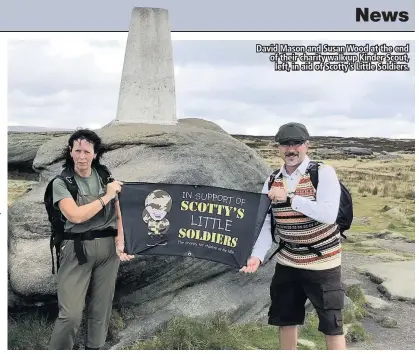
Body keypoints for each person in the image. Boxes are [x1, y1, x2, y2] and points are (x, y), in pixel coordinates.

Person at [240, 122, 346, 350]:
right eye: (285, 144)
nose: (291, 149)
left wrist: (289, 197)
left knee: (332, 325)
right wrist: (257, 256)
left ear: (307, 145)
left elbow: (328, 214)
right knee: (286, 320)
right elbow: (267, 223)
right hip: (288, 262)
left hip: (324, 264)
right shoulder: (271, 180)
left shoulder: (323, 173)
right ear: (278, 148)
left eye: (296, 143)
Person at [48, 129, 134, 350]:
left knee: (101, 310)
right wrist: (107, 196)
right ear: (70, 151)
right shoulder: (62, 182)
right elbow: (75, 216)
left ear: (95, 153)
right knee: (70, 315)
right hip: (77, 251)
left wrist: (121, 242)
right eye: (77, 150)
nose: (82, 156)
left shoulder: (106, 177)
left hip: (108, 251)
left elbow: (120, 213)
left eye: (87, 151)